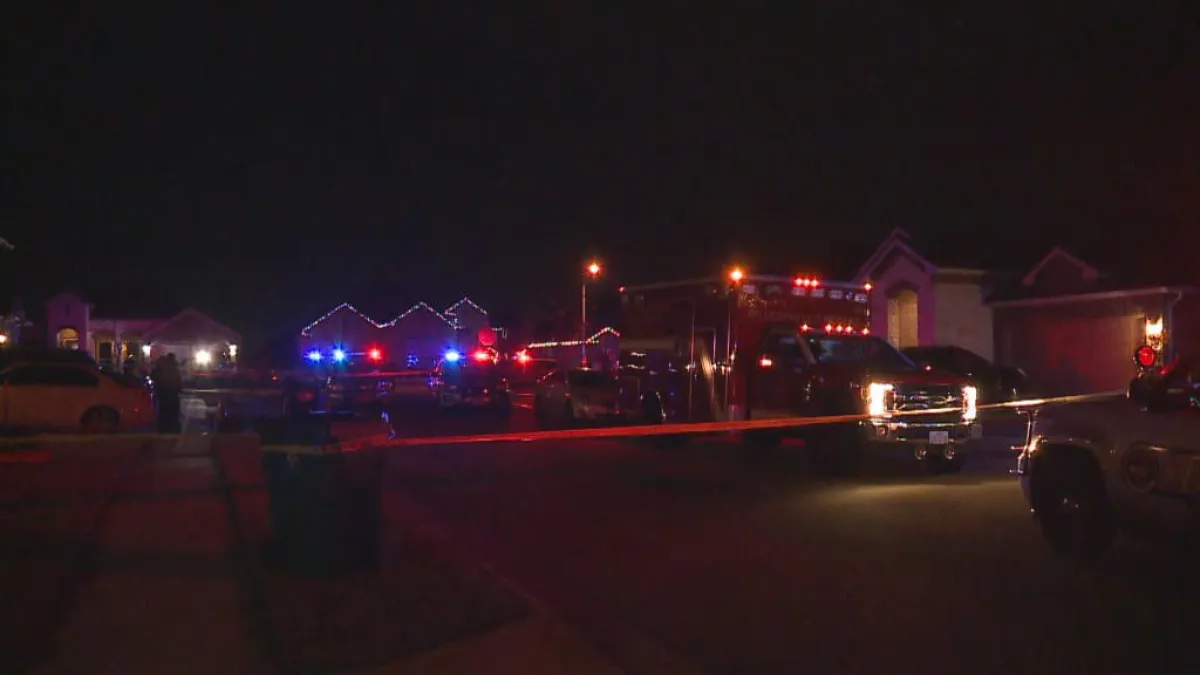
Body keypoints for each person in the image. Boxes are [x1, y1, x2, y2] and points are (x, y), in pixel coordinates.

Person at [152, 353, 184, 433]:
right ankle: (174, 433)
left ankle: (163, 432)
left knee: (163, 417)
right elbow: (179, 384)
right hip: (173, 397)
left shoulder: (161, 369)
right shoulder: (174, 370)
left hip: (163, 396)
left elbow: (154, 378)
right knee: (173, 417)